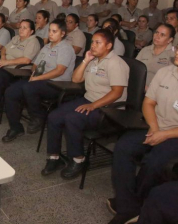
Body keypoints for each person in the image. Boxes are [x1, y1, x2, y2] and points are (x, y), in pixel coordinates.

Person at [108, 33, 178, 224]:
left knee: (156, 160)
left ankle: (141, 203)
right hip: (156, 124)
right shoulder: (165, 72)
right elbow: (149, 103)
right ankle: (129, 207)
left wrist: (164, 135)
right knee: (123, 147)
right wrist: (154, 129)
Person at [41, 29, 129, 179]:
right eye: (92, 42)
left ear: (108, 46)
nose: (92, 45)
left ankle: (78, 159)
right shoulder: (94, 60)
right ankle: (54, 157)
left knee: (72, 119)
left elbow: (117, 93)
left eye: (97, 42)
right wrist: (85, 60)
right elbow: (76, 79)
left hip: (107, 109)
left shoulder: (116, 64)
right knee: (54, 116)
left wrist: (94, 106)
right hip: (88, 99)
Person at [3, 19, 76, 141]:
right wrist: (35, 72)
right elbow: (35, 65)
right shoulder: (47, 47)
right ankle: (15, 128)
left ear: (62, 33)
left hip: (57, 84)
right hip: (40, 80)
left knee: (29, 87)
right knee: (11, 91)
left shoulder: (65, 48)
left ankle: (38, 117)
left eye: (54, 31)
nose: (50, 34)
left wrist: (37, 77)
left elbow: (60, 71)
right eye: (49, 31)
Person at [0, 19, 40, 117]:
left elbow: (26, 60)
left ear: (31, 31)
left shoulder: (33, 42)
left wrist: (7, 62)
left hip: (18, 71)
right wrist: (3, 57)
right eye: (20, 27)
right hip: (6, 66)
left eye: (25, 28)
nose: (21, 30)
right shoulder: (16, 38)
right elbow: (4, 49)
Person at [136, 23, 175, 88]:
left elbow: (171, 79)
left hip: (159, 90)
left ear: (170, 40)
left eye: (162, 35)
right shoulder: (145, 50)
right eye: (156, 32)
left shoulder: (173, 54)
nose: (157, 36)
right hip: (139, 86)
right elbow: (135, 69)